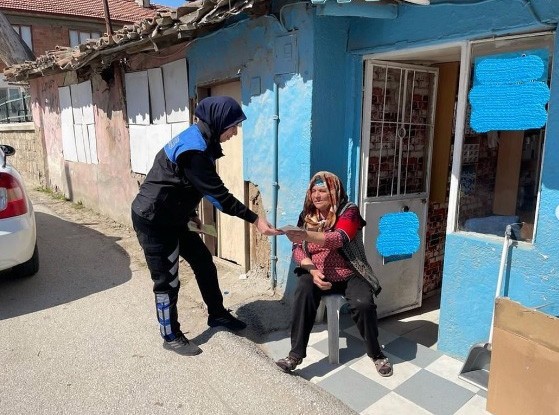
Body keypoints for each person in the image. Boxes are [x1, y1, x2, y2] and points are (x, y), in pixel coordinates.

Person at [131, 96, 281, 356]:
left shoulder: (200, 139)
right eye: (233, 126)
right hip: (155, 220)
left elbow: (181, 183)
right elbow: (218, 196)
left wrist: (189, 213)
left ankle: (217, 314)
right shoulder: (194, 150)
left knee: (203, 261)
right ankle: (170, 335)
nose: (234, 133)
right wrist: (255, 219)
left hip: (175, 217)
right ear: (219, 122)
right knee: (167, 280)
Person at [276, 171, 392, 377]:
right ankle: (295, 355)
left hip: (349, 272)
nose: (316, 196)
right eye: (313, 191)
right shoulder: (307, 215)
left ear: (333, 193)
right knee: (303, 292)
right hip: (317, 273)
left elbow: (339, 238)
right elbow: (297, 249)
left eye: (322, 191)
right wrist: (312, 271)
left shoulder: (349, 211)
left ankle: (376, 353)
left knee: (363, 304)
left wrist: (305, 234)